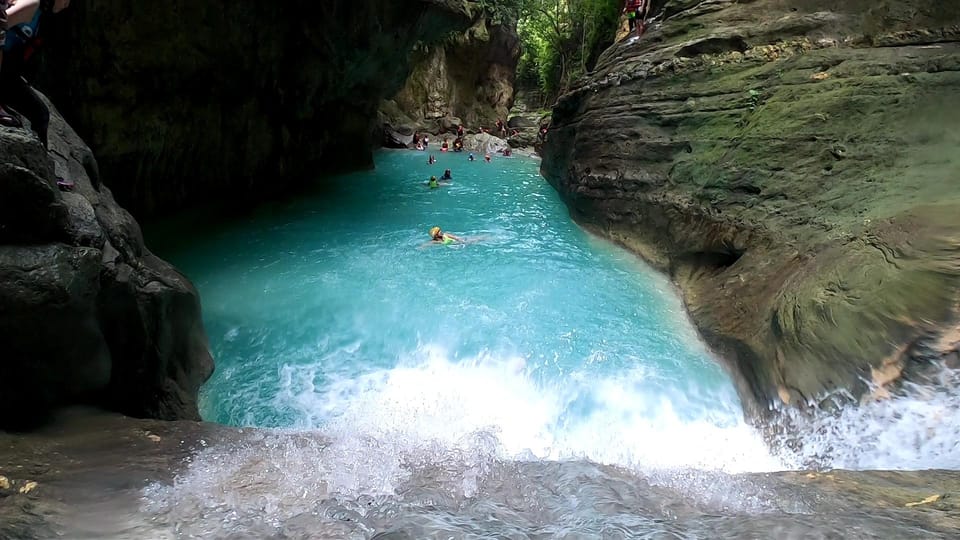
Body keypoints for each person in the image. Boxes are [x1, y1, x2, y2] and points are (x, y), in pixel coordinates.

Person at [0, 0, 72, 145]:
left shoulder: (41, 18)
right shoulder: (31, 4)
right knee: (39, 114)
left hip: (6, 73)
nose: (67, 4)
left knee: (40, 115)